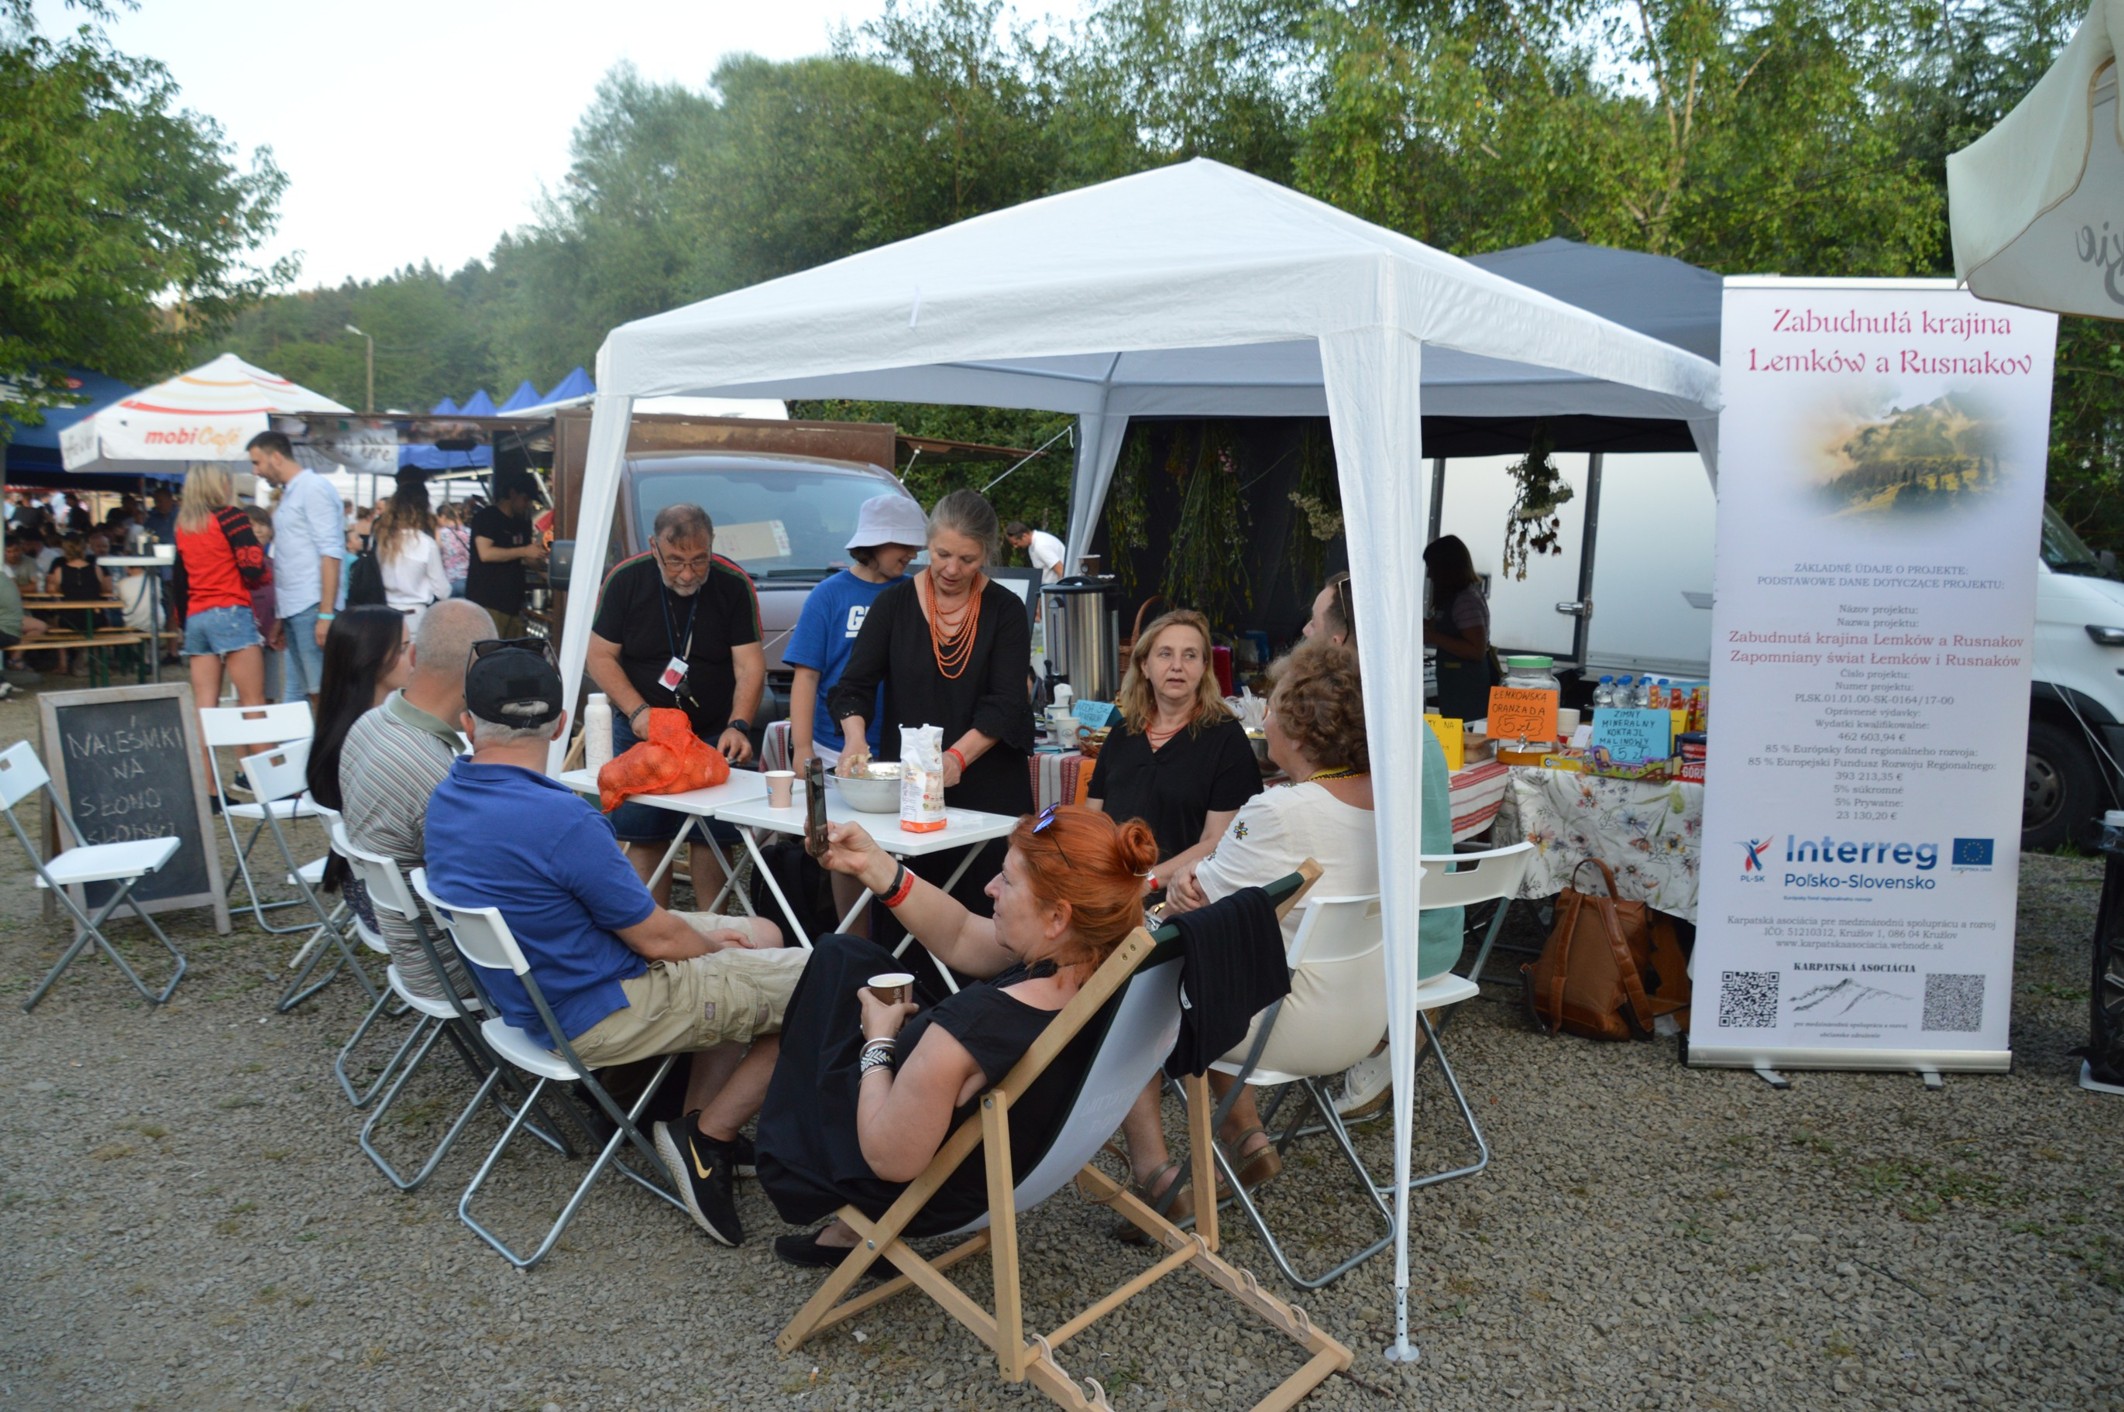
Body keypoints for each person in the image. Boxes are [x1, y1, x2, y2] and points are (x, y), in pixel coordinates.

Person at [424, 643, 805, 1245]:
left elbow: (634, 924)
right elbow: (657, 938)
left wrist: (717, 942)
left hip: (536, 998)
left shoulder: (448, 798)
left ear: (467, 724)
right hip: (602, 1009)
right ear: (559, 724)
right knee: (824, 984)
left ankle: (692, 1121)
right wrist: (714, 947)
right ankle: (708, 1138)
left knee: (761, 934)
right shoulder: (562, 819)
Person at [756, 804, 1159, 1269]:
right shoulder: (1104, 964)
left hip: (925, 1185)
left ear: (1056, 917)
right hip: (1010, 1160)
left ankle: (762, 1158)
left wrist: (878, 1042)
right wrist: (872, 864)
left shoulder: (971, 1026)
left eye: (1007, 881)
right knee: (846, 956)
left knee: (828, 977)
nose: (990, 887)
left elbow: (890, 1160)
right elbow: (961, 934)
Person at [1118, 640, 1452, 1199]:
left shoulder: (1279, 812)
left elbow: (1193, 913)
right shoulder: (1389, 800)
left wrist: (1169, 894)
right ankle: (1246, 1133)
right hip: (1368, 1016)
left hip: (1287, 1022)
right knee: (1226, 962)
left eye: (1270, 707)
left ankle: (1155, 1173)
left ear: (1298, 729)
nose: (1263, 718)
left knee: (1137, 983)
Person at [829, 489, 1035, 922]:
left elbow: (1006, 703)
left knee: (984, 915)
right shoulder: (892, 605)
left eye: (968, 559)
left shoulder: (1006, 610)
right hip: (910, 793)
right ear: (927, 543)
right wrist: (854, 738)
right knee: (910, 913)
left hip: (987, 791)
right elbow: (853, 686)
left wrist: (956, 759)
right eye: (942, 554)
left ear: (986, 554)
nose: (952, 569)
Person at [587, 502, 766, 900]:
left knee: (712, 836)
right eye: (675, 561)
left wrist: (739, 724)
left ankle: (711, 927)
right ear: (654, 547)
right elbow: (599, 656)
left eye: (699, 560)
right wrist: (637, 711)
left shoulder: (733, 584)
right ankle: (651, 926)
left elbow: (750, 665)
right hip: (644, 731)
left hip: (713, 731)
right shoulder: (625, 580)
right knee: (644, 834)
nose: (687, 573)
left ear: (712, 545)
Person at [337, 599, 493, 1000]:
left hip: (411, 951)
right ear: (480, 670)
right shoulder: (435, 775)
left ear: (412, 656)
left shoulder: (370, 723)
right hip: (456, 969)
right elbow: (496, 891)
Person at [1088, 608, 1262, 887]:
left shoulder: (1226, 740)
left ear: (1204, 667)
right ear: (1144, 666)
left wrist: (1145, 883)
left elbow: (1217, 841)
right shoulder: (1121, 734)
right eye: (1165, 654)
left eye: (1190, 655)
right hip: (1112, 888)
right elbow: (1092, 822)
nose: (1177, 666)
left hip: (1183, 896)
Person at [787, 495, 930, 772]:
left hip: (905, 747)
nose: (913, 553)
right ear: (875, 542)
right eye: (904, 544)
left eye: (915, 545)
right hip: (834, 747)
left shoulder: (916, 593)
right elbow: (806, 676)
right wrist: (803, 747)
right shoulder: (828, 594)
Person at [304, 605, 414, 913]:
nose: (413, 657)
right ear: (371, 659)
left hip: (371, 882)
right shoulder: (369, 740)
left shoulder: (342, 725)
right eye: (403, 648)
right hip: (387, 899)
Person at [249, 430, 346, 710]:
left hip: (312, 604)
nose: (256, 471)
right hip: (297, 607)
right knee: (310, 691)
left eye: (257, 462)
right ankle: (320, 738)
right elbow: (293, 556)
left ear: (276, 457)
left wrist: (325, 614)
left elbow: (331, 553)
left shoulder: (313, 487)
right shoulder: (292, 492)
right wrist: (281, 616)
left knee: (321, 693)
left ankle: (329, 739)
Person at [465, 469, 545, 637]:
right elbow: (485, 553)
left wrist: (542, 564)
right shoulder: (487, 517)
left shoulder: (522, 522)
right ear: (512, 493)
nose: (528, 505)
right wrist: (523, 550)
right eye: (525, 499)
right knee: (491, 647)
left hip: (514, 603)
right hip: (488, 601)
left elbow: (527, 557)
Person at [1422, 535, 1492, 721]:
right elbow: (1442, 626)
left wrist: (1434, 637)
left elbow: (1476, 650)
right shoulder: (1452, 599)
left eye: (1432, 568)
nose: (1429, 575)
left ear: (1447, 568)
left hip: (1467, 690)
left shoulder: (1466, 600)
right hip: (1453, 688)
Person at [369, 474, 451, 634]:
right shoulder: (426, 543)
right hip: (415, 617)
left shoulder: (381, 539)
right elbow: (443, 591)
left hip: (383, 614)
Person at [44, 535, 111, 675]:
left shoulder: (60, 570)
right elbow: (106, 590)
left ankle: (63, 663)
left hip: (70, 619)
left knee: (53, 624)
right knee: (104, 623)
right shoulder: (96, 569)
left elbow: (52, 591)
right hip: (95, 618)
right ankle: (100, 661)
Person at [242, 505, 285, 702]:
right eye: (252, 525)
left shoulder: (276, 564)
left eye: (263, 524)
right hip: (246, 635)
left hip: (271, 634)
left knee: (270, 691)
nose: (258, 530)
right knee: (248, 692)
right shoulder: (237, 566)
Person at [1005, 520, 1067, 584]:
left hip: (1054, 587)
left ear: (1024, 536)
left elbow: (1060, 569)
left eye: (1016, 543)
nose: (1015, 546)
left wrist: (1062, 587)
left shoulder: (1040, 546)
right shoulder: (1035, 542)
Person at [436, 500, 472, 599]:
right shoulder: (470, 532)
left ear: (444, 516)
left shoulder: (441, 533)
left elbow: (436, 556)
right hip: (468, 580)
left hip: (450, 580)